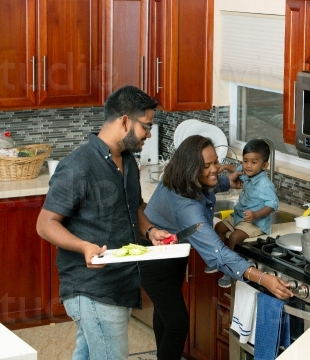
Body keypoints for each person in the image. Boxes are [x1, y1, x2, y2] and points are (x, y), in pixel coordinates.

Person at [36, 85, 173, 360]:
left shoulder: (128, 162)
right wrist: (85, 246)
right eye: (146, 126)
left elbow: (133, 207)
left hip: (120, 283)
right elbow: (45, 223)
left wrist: (151, 230)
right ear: (124, 121)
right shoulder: (78, 165)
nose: (149, 134)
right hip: (93, 287)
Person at [139, 135, 293, 360]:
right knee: (177, 323)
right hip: (154, 255)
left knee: (167, 316)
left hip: (173, 251)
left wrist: (227, 181)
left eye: (215, 162)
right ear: (191, 168)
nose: (215, 169)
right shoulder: (186, 206)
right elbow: (218, 254)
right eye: (207, 166)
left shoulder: (185, 178)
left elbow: (213, 181)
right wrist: (262, 278)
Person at [212, 138, 278, 288]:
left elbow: (273, 205)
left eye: (253, 162)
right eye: (245, 161)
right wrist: (223, 167)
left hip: (255, 222)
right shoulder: (248, 174)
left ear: (265, 165)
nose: (248, 166)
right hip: (240, 217)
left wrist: (255, 215)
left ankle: (233, 271)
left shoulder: (265, 184)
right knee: (219, 228)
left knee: (235, 237)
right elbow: (237, 170)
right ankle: (222, 261)